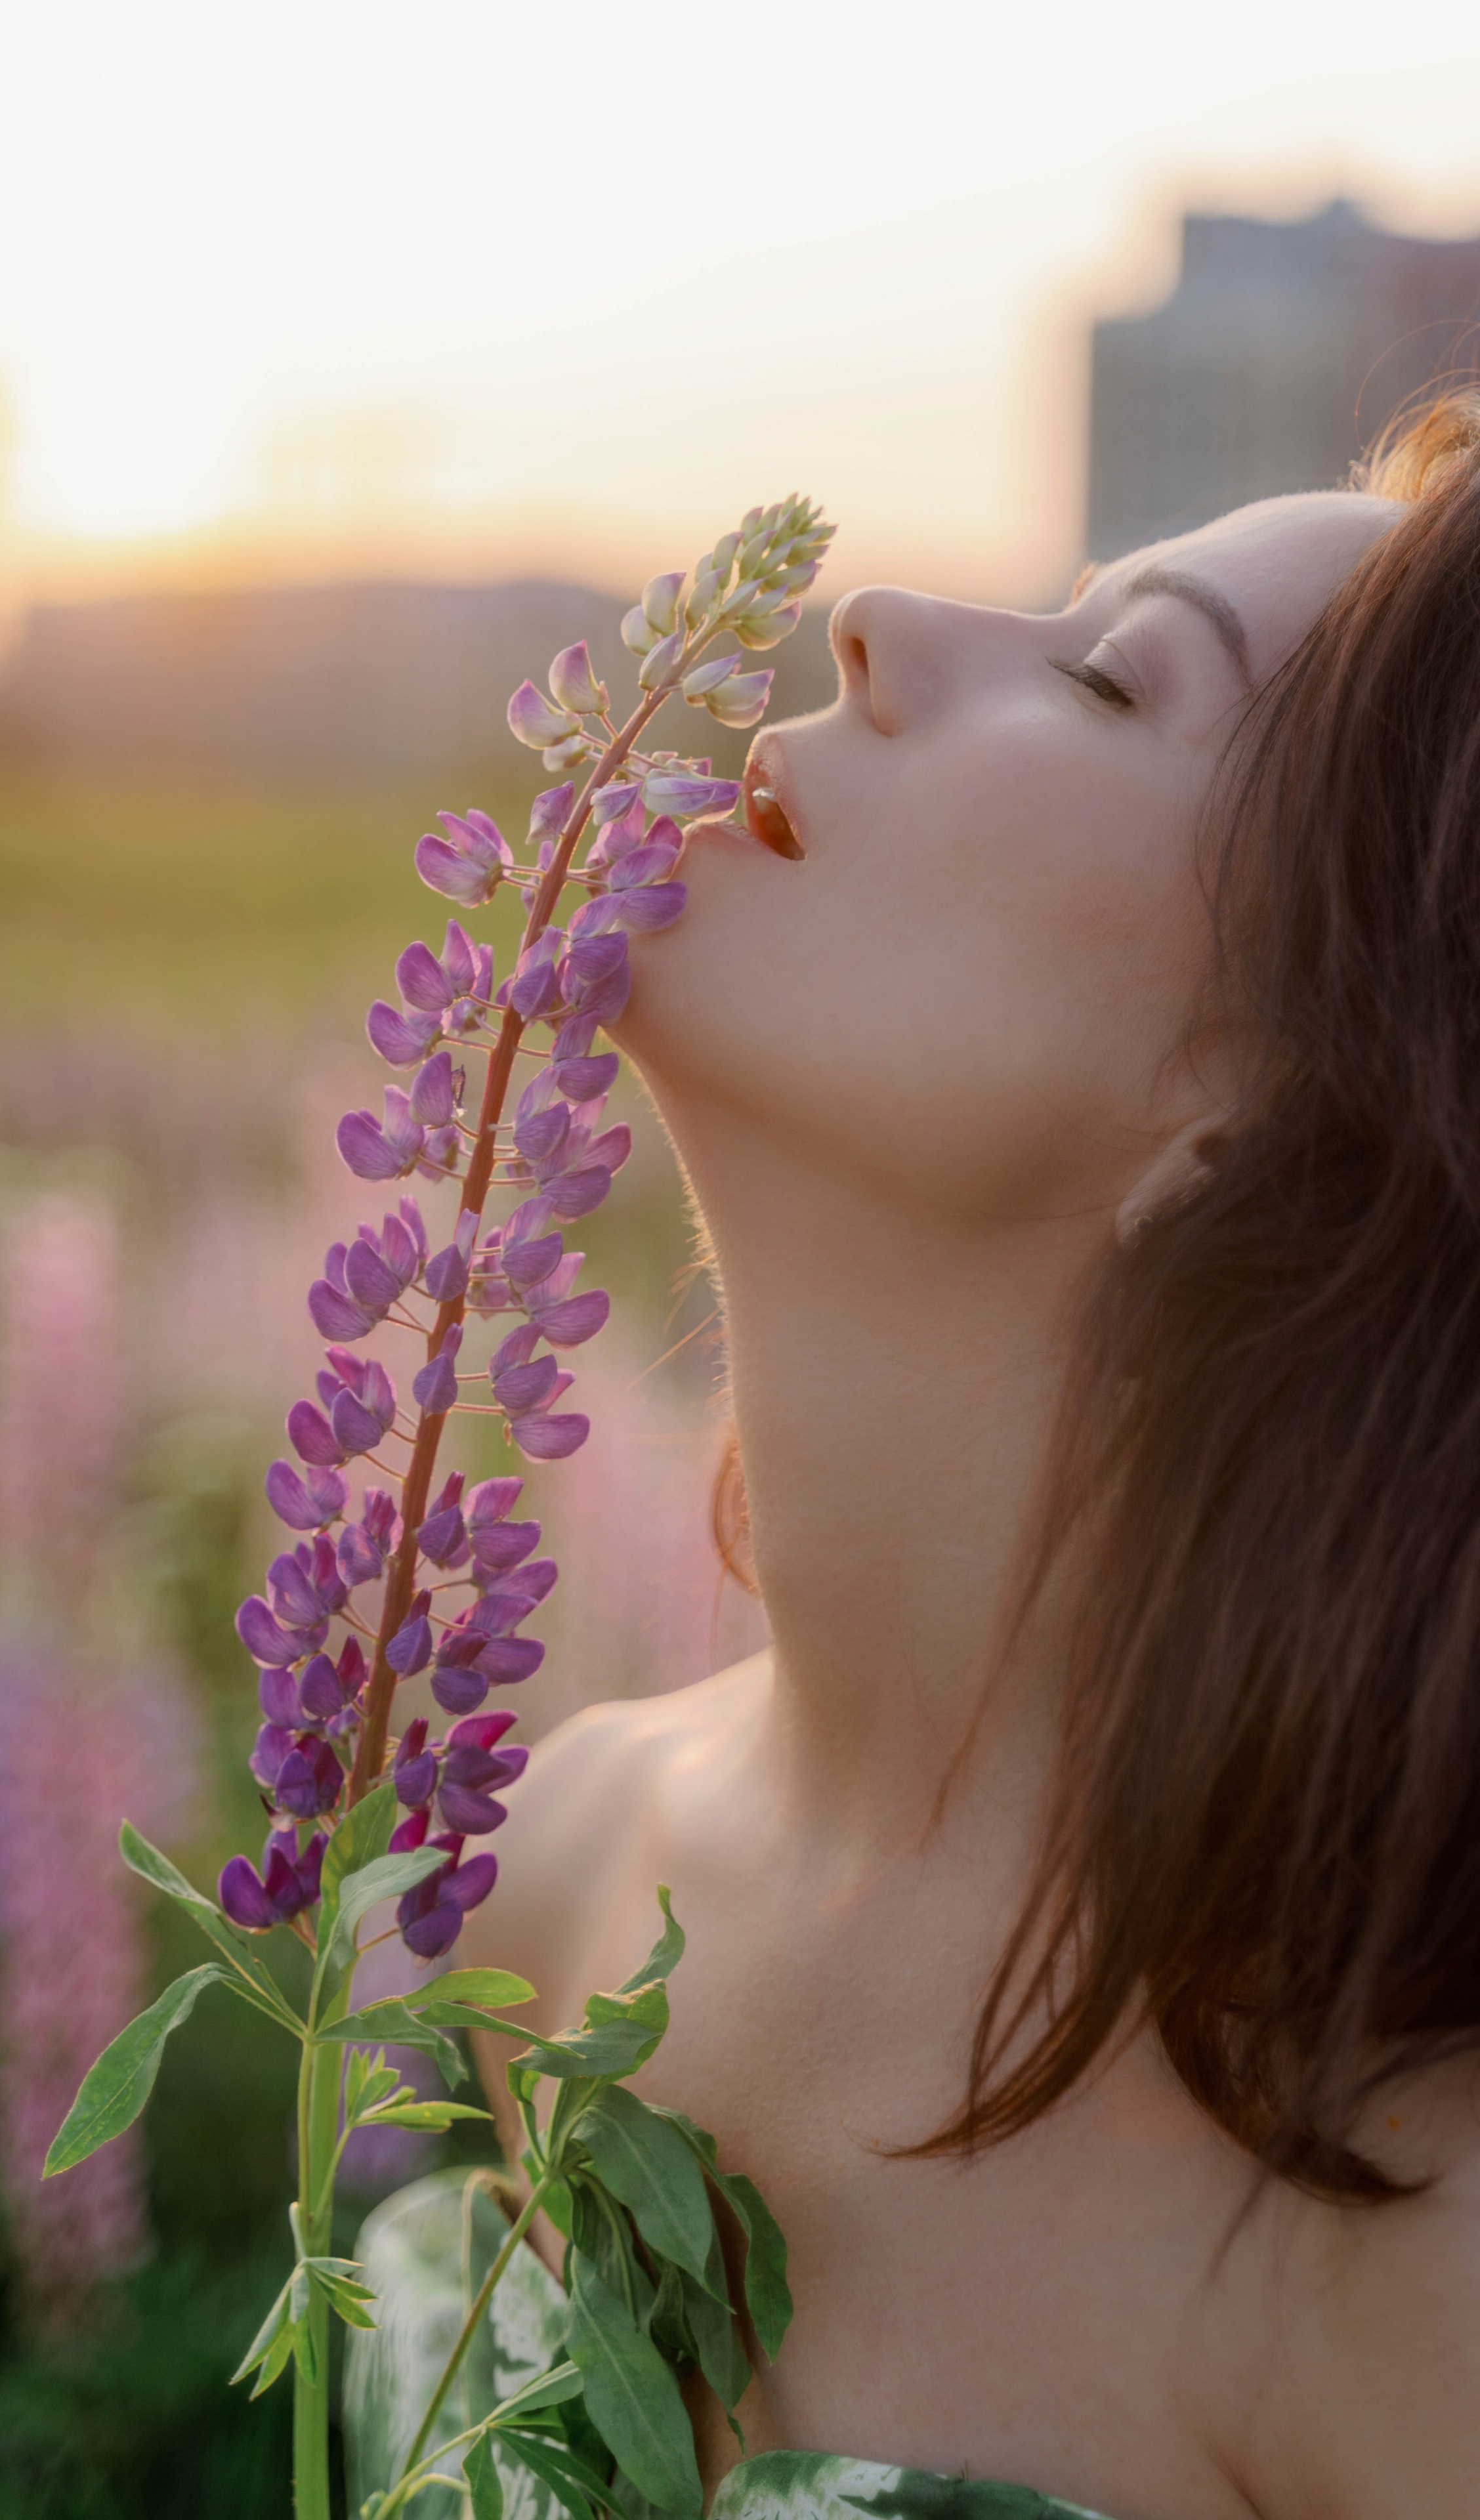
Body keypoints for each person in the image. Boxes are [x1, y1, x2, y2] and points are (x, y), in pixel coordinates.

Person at [455, 399, 1480, 2519]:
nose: (883, 623)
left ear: (1274, 1119)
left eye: (1114, 677)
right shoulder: (538, 1870)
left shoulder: (1396, 2254)